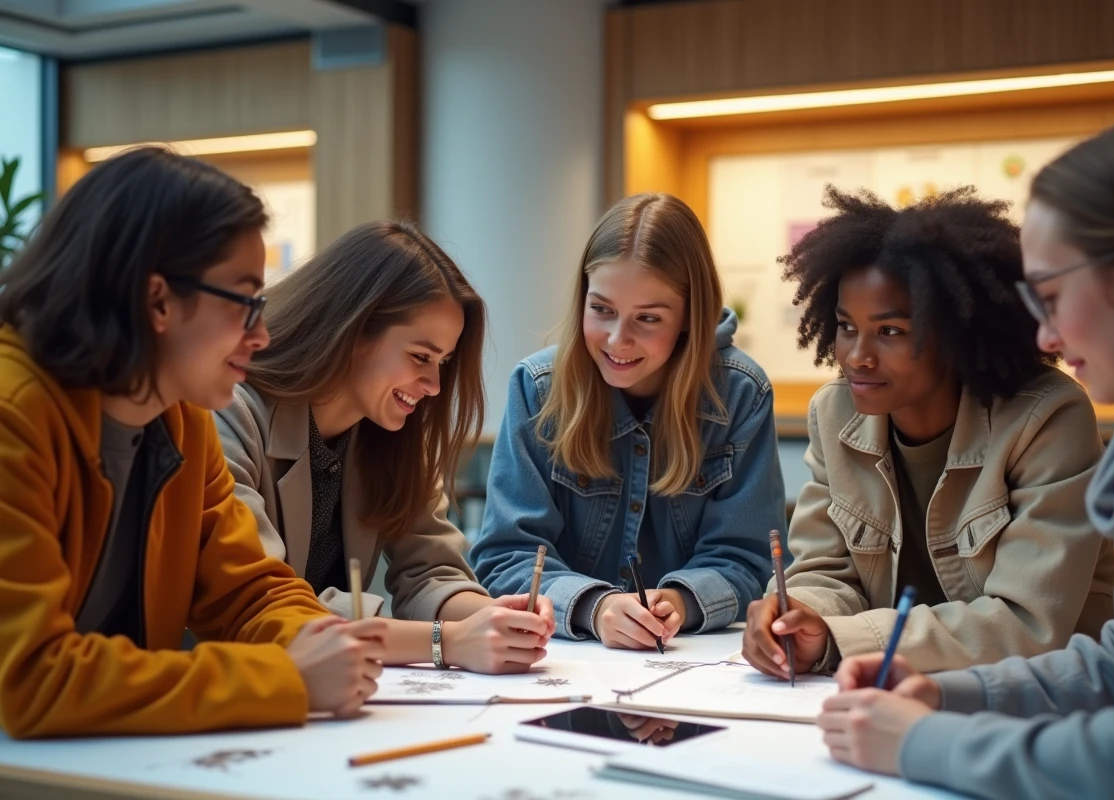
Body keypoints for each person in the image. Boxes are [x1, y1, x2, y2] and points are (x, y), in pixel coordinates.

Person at [817, 114, 1114, 798]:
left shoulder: (1075, 420)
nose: (1045, 336)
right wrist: (947, 695)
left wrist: (921, 743)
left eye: (1050, 297)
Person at [0, 147, 383, 738]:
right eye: (247, 303)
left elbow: (248, 592)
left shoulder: (183, 418)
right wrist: (284, 677)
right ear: (158, 300)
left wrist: (321, 641)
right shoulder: (14, 413)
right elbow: (32, 680)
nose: (262, 335)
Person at [742, 187, 1114, 678]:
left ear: (957, 333)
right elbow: (825, 572)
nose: (857, 356)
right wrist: (797, 615)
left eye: (890, 331)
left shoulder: (1048, 417)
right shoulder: (833, 414)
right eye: (846, 327)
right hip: (893, 687)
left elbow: (1027, 624)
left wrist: (842, 638)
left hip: (1048, 693)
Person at [215, 220, 554, 674]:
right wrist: (447, 642)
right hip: (244, 685)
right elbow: (263, 604)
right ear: (352, 330)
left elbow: (431, 571)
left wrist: (491, 618)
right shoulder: (230, 413)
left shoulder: (395, 432)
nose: (434, 385)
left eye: (443, 363)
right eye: (420, 357)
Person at [472, 193, 786, 649]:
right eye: (601, 309)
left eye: (648, 318)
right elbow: (507, 555)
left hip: (692, 658)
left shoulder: (741, 393)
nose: (618, 340)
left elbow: (749, 559)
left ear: (689, 316)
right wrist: (594, 607)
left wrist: (680, 601)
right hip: (563, 657)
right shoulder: (537, 388)